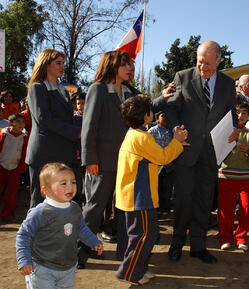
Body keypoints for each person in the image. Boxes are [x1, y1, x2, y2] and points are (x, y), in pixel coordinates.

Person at [80, 51, 169, 267]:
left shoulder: (130, 91)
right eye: (126, 65)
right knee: (94, 209)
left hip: (127, 163)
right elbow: (88, 126)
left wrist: (164, 96)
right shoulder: (98, 89)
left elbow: (146, 107)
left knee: (124, 211)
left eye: (131, 64)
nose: (130, 68)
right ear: (113, 66)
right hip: (101, 162)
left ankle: (124, 256)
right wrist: (89, 159)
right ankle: (78, 254)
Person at [165, 40, 238, 264]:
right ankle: (177, 243)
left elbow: (231, 114)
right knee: (183, 200)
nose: (202, 67)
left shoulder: (227, 84)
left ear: (219, 61)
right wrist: (176, 129)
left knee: (204, 201)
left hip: (212, 152)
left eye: (207, 63)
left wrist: (234, 129)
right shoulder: (183, 77)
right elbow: (171, 109)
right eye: (199, 62)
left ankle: (198, 246)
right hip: (186, 151)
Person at [115, 95, 188, 285]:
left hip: (136, 196)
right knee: (145, 236)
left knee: (143, 235)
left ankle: (138, 269)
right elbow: (163, 157)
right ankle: (130, 272)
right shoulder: (141, 137)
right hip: (139, 196)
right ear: (146, 115)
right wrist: (177, 141)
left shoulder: (134, 134)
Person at [16, 162, 102, 289]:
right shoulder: (39, 213)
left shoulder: (74, 208)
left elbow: (80, 228)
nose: (70, 187)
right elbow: (23, 235)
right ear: (46, 191)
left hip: (68, 267)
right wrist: (24, 260)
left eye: (73, 182)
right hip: (42, 268)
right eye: (63, 183)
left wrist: (93, 241)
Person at [25, 48, 81, 208]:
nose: (62, 66)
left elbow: (67, 119)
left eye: (63, 63)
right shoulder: (37, 88)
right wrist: (76, 133)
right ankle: (33, 233)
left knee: (59, 202)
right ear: (46, 64)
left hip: (63, 154)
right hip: (44, 154)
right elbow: (43, 120)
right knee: (39, 203)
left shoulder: (63, 90)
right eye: (58, 63)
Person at [217, 103, 249, 251]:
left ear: (248, 116)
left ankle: (241, 237)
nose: (240, 116)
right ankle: (225, 237)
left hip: (245, 177)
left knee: (246, 209)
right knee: (225, 209)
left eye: (244, 113)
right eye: (237, 113)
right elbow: (217, 151)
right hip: (226, 175)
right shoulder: (225, 132)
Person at [0, 113, 28, 220]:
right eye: (18, 121)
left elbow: (24, 153)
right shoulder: (4, 134)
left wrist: (20, 168)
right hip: (1, 167)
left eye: (23, 122)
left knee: (11, 195)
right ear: (10, 123)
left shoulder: (24, 137)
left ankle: (7, 215)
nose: (21, 124)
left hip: (14, 169)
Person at [148, 111, 174, 214]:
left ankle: (166, 208)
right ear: (157, 118)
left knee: (167, 188)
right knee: (156, 188)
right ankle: (157, 209)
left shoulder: (172, 131)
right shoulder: (151, 131)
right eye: (162, 115)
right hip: (156, 165)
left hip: (169, 166)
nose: (165, 117)